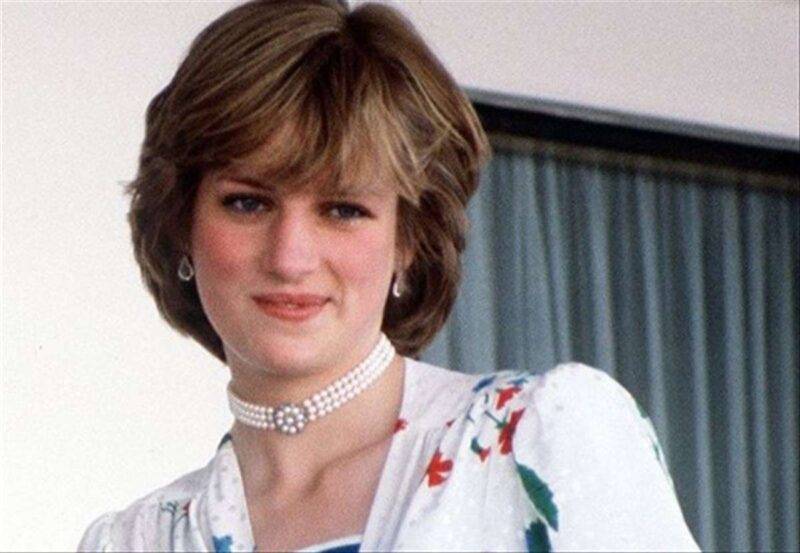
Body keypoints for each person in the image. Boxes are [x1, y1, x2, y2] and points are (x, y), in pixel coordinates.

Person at [79, 1, 700, 551]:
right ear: (181, 223)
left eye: (343, 210)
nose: (291, 257)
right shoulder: (135, 542)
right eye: (248, 202)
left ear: (408, 239)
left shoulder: (539, 444)